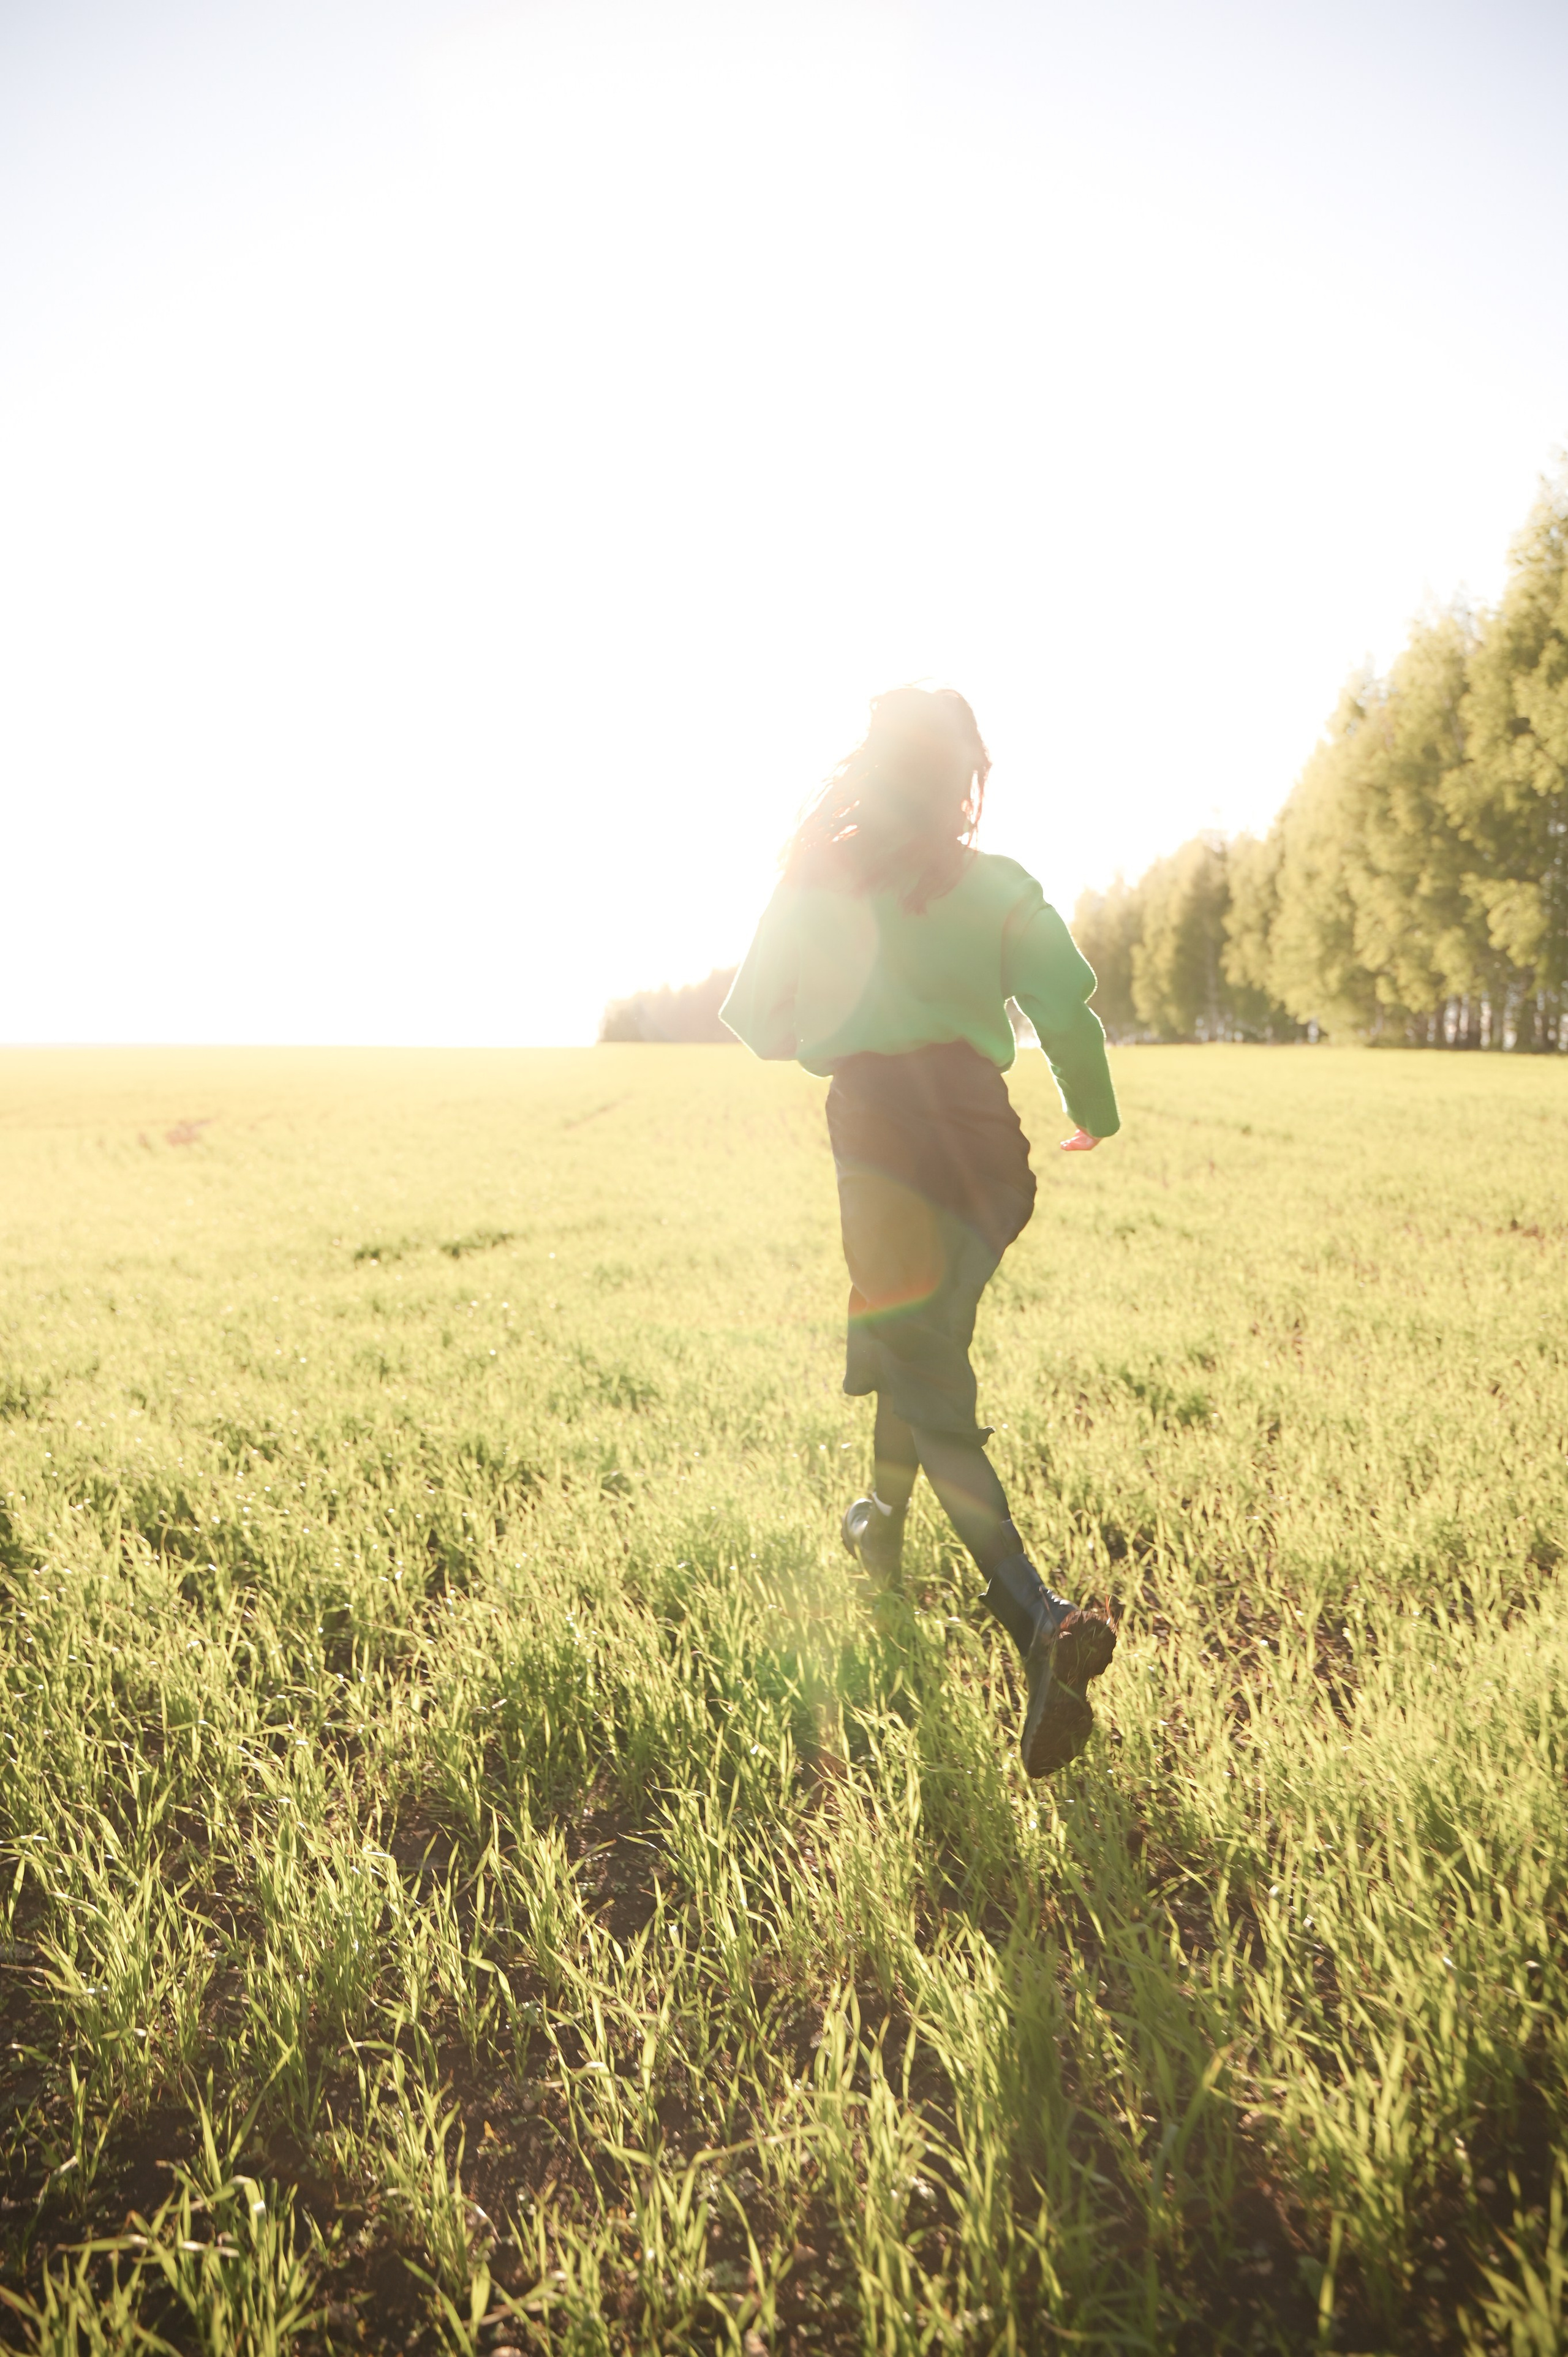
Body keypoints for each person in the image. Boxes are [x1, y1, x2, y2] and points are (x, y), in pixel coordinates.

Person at [720, 686, 1120, 1776]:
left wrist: (836, 1012)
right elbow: (1066, 1009)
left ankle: (1036, 1620)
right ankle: (878, 1530)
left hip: (885, 1154)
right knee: (918, 1348)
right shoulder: (999, 886)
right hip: (990, 1166)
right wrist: (1095, 1107)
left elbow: (757, 1022)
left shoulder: (823, 880)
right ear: (965, 782)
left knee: (928, 1376)